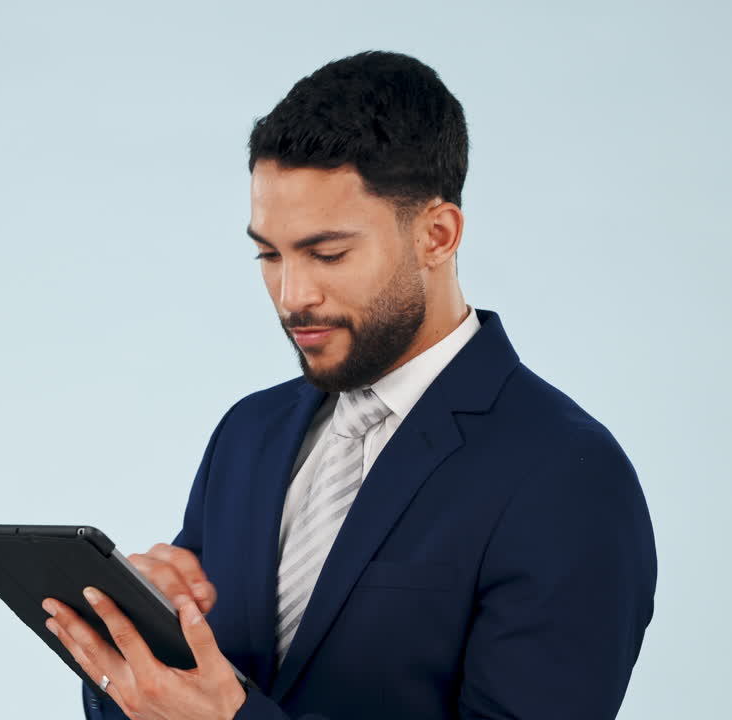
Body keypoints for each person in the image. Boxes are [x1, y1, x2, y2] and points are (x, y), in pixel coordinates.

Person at [42, 50, 657, 719]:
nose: (292, 295)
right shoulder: (247, 435)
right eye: (268, 254)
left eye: (327, 254)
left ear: (437, 235)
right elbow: (189, 694)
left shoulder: (566, 473)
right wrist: (135, 648)